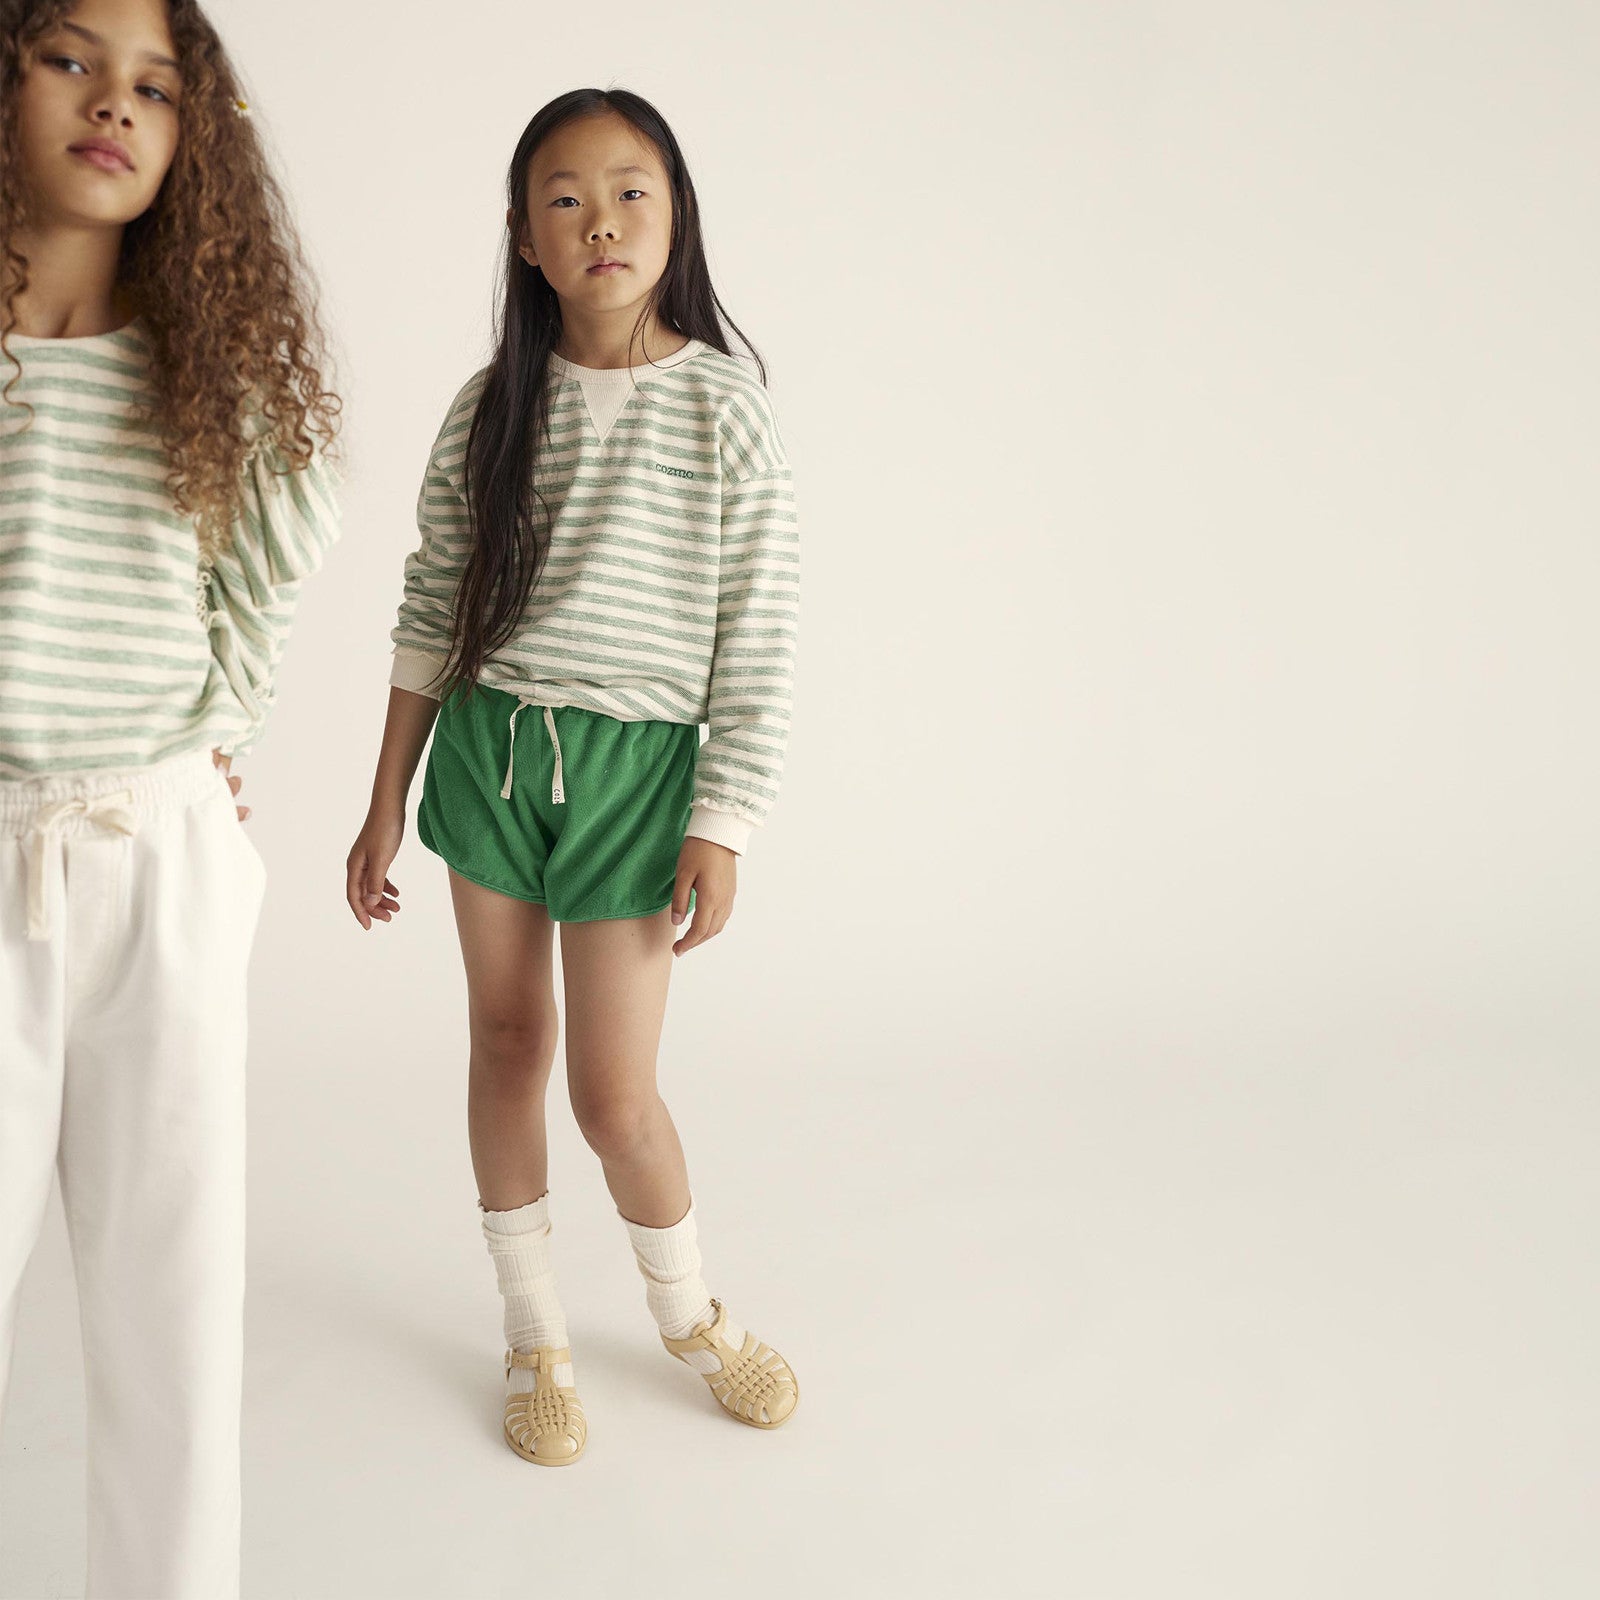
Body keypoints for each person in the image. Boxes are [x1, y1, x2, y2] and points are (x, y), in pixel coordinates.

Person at [345, 87, 800, 1466]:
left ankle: (688, 1314)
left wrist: (724, 821)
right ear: (524, 236)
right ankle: (534, 1330)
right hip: (488, 755)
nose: (601, 221)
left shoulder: (723, 406)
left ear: (675, 217)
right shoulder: (491, 407)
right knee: (504, 1044)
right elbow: (433, 604)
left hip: (636, 780)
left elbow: (758, 630)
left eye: (629, 191)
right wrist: (384, 800)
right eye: (565, 198)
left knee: (614, 1095)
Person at [0, 0, 340, 1590]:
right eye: (70, 58)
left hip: (165, 863)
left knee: (173, 1311)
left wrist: (221, 732)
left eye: (155, 85)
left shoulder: (203, 366)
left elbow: (275, 552)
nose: (114, 105)